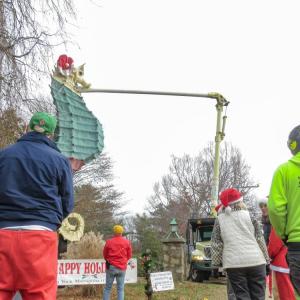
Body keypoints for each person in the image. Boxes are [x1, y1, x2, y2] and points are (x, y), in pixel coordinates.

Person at [0, 112, 74, 300]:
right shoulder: (59, 160)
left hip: (3, 233)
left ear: (27, 127)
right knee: (39, 295)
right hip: (40, 236)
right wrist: (52, 222)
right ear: (50, 134)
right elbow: (67, 202)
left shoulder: (4, 155)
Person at [211, 188, 270, 300]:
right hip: (257, 262)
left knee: (241, 296)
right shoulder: (250, 216)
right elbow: (259, 238)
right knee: (259, 297)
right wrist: (266, 260)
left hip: (234, 264)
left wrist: (216, 263)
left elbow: (216, 242)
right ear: (240, 201)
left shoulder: (219, 220)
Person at [268, 125, 300, 299]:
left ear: (292, 145)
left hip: (297, 244)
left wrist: (284, 234)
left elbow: (276, 209)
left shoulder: (284, 171)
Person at [103, 225, 132, 300]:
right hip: (122, 268)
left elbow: (105, 255)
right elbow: (129, 255)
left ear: (114, 232)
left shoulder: (109, 241)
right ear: (121, 232)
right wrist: (123, 261)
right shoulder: (126, 242)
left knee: (107, 288)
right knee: (120, 289)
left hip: (111, 267)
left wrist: (109, 260)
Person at [268, 228, 296, 300]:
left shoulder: (280, 220)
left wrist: (268, 256)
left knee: (285, 294)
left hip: (283, 263)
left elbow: (274, 244)